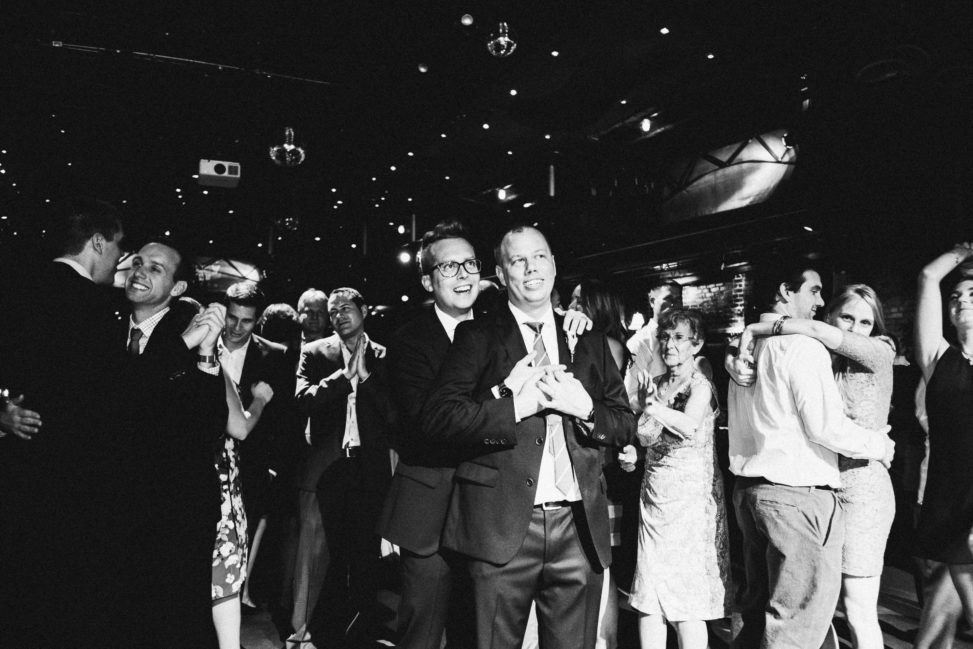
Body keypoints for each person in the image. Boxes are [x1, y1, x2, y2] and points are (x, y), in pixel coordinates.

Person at [420, 225, 636, 649]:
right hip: (500, 529)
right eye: (518, 260)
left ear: (554, 265)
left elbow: (625, 423)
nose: (531, 268)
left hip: (577, 527)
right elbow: (440, 420)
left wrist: (585, 408)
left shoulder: (588, 338)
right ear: (501, 274)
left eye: (539, 257)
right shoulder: (476, 336)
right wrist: (516, 405)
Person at [725, 261, 894, 649]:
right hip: (797, 496)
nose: (820, 301)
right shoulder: (801, 347)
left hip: (755, 492)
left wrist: (745, 338)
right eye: (815, 291)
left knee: (762, 616)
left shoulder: (747, 347)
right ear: (786, 291)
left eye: (864, 322)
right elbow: (826, 428)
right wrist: (880, 445)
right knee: (795, 626)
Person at [0, 197, 127, 647]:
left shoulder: (16, 289)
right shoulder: (102, 310)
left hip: (19, 471)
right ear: (97, 241)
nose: (119, 260)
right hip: (79, 483)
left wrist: (1, 414)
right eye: (117, 247)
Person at [122, 237, 231, 648]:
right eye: (137, 262)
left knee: (176, 619)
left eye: (156, 269)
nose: (140, 272)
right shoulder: (101, 326)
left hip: (175, 506)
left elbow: (211, 424)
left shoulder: (191, 330)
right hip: (115, 501)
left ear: (178, 288)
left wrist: (203, 353)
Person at [622, 308, 730, 649]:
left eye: (679, 338)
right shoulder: (653, 385)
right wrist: (633, 455)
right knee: (649, 596)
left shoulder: (702, 386)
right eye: (665, 337)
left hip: (689, 505)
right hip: (654, 501)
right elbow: (646, 437)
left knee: (686, 604)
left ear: (696, 345)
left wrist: (651, 408)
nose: (669, 344)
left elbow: (687, 425)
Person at [296, 287, 396, 648]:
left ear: (364, 310)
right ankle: (331, 633)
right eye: (333, 310)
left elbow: (394, 415)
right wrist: (342, 378)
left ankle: (364, 630)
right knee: (333, 556)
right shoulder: (314, 352)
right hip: (331, 468)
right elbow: (302, 401)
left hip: (370, 468)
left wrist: (365, 378)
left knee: (367, 555)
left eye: (346, 309)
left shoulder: (386, 355)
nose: (338, 316)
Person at [217, 282, 293, 611]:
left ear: (257, 320)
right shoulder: (202, 344)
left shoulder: (275, 356)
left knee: (244, 530)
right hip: (202, 458)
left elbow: (282, 417)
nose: (236, 327)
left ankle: (235, 595)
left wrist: (273, 463)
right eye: (231, 318)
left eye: (245, 321)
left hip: (251, 461)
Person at [569, 278, 634, 649]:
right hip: (603, 465)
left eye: (580, 301)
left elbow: (612, 414)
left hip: (600, 469)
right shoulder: (609, 344)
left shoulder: (604, 346)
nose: (572, 307)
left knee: (600, 569)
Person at [913, 242, 973, 631]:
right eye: (956, 296)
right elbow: (928, 276)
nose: (962, 300)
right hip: (951, 502)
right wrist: (965, 251)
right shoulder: (938, 357)